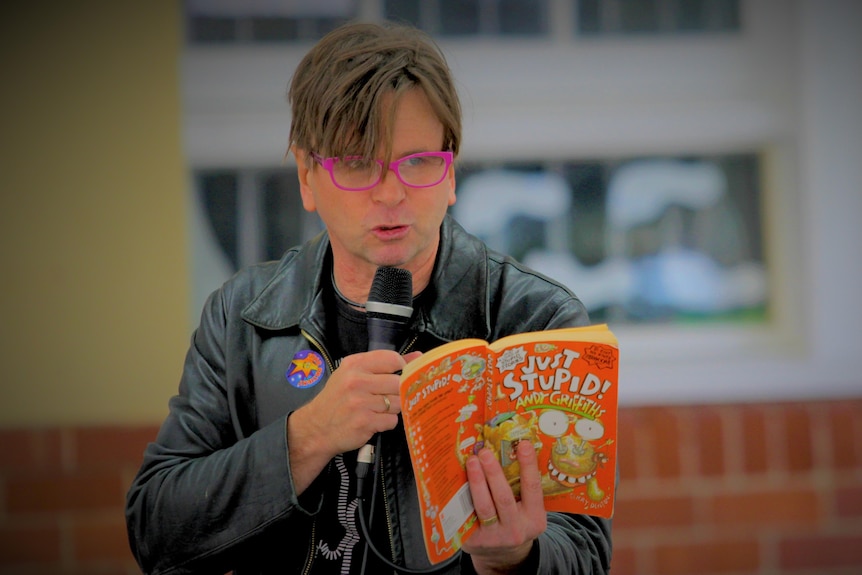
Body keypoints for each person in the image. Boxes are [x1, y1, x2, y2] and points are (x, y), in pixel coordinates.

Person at [125, 20, 613, 575]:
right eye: (358, 163)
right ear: (307, 177)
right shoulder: (243, 317)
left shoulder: (535, 320)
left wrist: (515, 558)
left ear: (451, 172)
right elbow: (155, 530)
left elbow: (588, 556)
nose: (390, 193)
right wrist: (308, 436)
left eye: (418, 162)